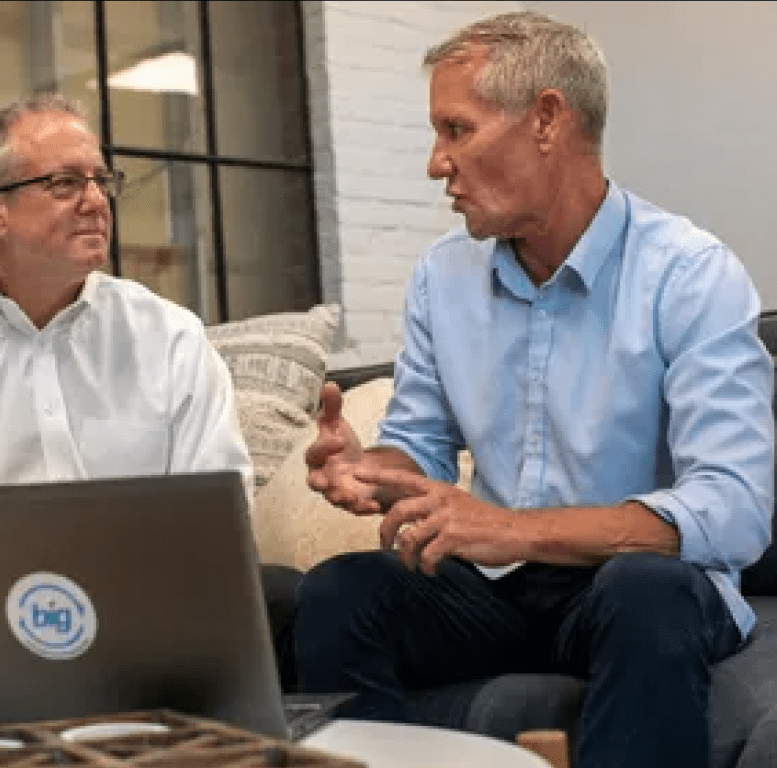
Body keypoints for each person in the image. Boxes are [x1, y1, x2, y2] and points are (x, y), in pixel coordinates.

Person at [293, 10, 774, 768]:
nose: (434, 163)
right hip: (494, 590)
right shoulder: (442, 279)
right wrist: (375, 471)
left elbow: (736, 508)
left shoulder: (690, 274)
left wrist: (514, 529)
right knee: (339, 596)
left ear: (547, 119)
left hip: (632, 589)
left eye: (457, 129)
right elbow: (418, 444)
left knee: (647, 594)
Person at [0, 92, 299, 734]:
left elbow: (219, 510)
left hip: (146, 613)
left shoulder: (171, 337)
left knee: (290, 601)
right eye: (63, 183)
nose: (95, 200)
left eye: (100, 179)